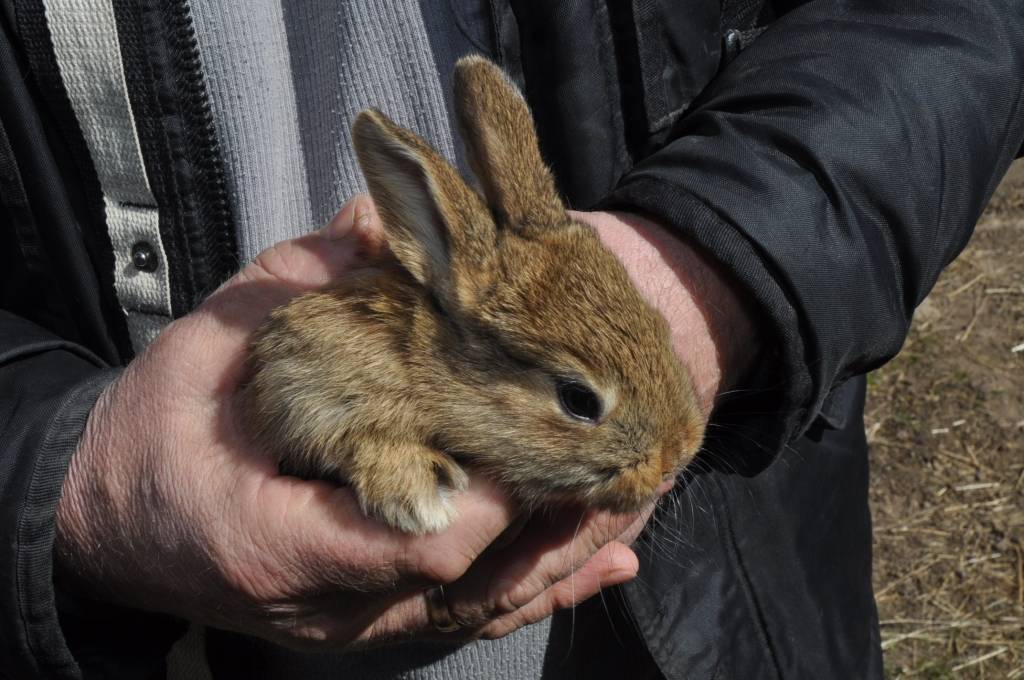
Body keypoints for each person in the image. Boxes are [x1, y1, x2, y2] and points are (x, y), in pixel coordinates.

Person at [1, 1, 1021, 678]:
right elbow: (303, 385)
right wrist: (66, 481)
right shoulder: (370, 348)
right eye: (579, 399)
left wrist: (719, 266)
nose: (672, 459)